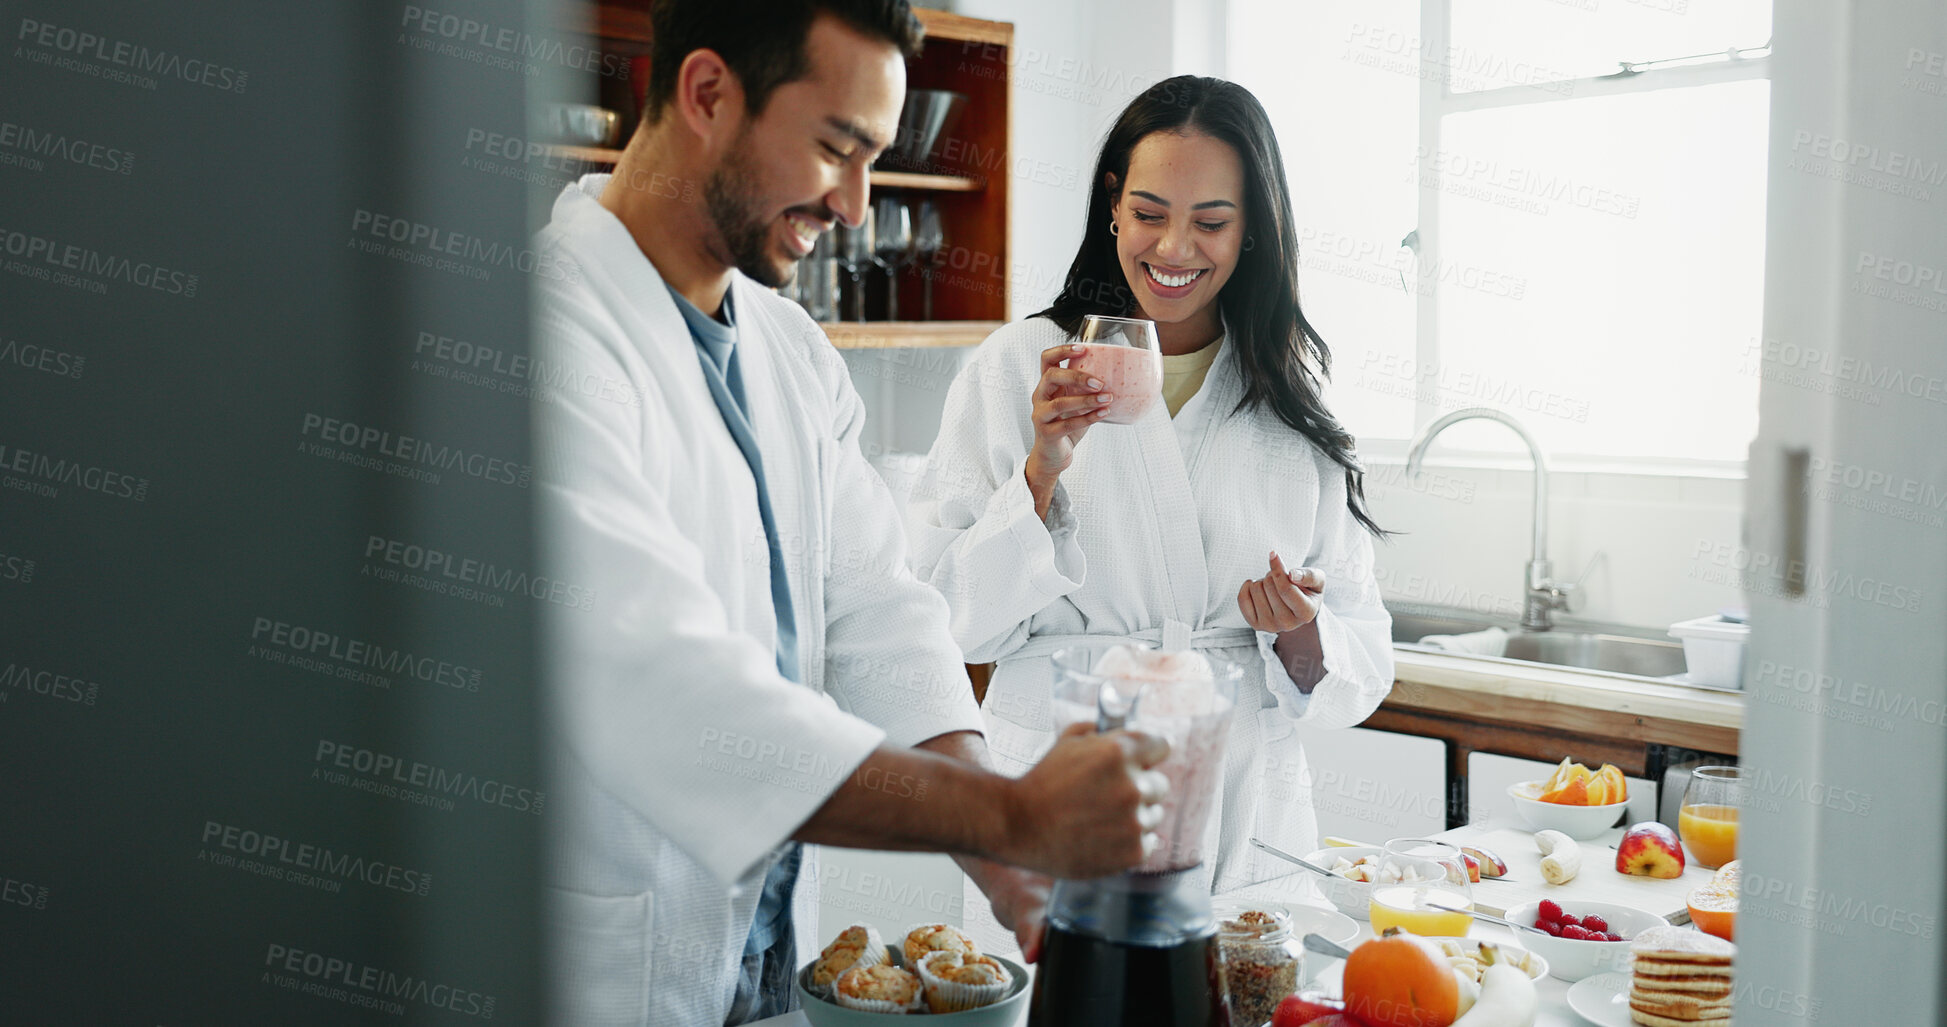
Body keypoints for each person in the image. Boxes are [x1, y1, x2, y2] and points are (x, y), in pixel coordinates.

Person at [528, 2, 1170, 1023]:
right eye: (838, 147)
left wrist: (1001, 853)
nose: (860, 204)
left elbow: (880, 620)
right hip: (611, 970)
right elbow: (665, 690)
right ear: (706, 94)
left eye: (876, 157)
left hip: (771, 963)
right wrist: (1013, 807)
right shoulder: (545, 335)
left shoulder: (789, 351)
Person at [907, 75, 1396, 908]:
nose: (1173, 249)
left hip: (1242, 798)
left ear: (1252, 232)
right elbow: (946, 620)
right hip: (1064, 783)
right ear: (1111, 208)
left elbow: (1360, 659)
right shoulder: (1017, 367)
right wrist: (1040, 471)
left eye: (1210, 221)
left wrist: (1299, 631)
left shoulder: (1286, 394)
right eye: (1147, 213)